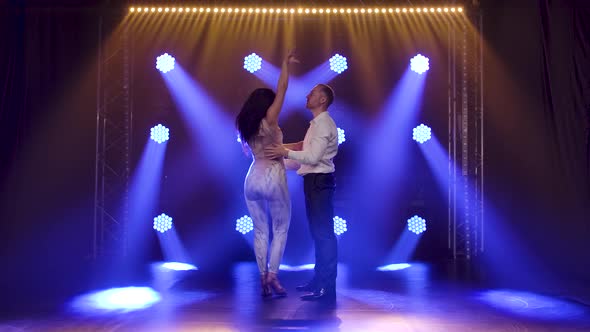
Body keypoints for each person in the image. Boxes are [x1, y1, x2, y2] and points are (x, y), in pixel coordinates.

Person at [265, 84, 339, 301]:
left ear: (323, 99)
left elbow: (313, 157)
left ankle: (327, 287)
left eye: (313, 93)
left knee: (324, 235)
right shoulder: (316, 124)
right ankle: (319, 281)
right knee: (319, 234)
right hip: (314, 182)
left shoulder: (324, 123)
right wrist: (276, 152)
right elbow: (302, 148)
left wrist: (283, 152)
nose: (308, 95)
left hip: (320, 182)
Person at [236, 50, 299, 298]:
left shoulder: (246, 125)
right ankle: (273, 274)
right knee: (281, 228)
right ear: (267, 105)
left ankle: (263, 276)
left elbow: (254, 151)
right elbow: (282, 89)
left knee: (260, 230)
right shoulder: (269, 120)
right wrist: (284, 65)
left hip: (252, 178)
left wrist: (293, 147)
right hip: (273, 177)